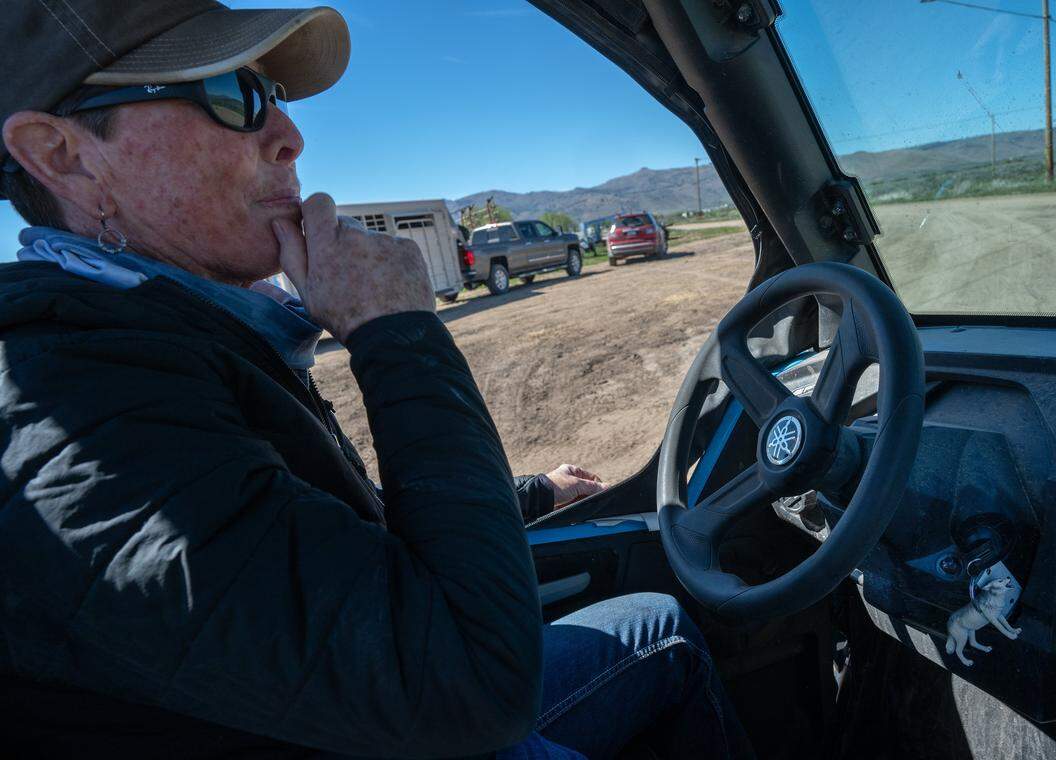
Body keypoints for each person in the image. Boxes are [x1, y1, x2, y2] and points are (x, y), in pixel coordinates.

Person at [0, 2, 755, 758]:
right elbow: (471, 687)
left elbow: (321, 540)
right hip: (430, 717)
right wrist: (395, 332)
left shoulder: (162, 340)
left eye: (277, 96)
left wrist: (533, 494)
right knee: (663, 637)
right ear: (61, 155)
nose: (288, 137)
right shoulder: (76, 404)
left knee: (660, 624)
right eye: (233, 96)